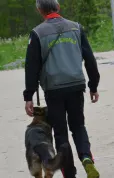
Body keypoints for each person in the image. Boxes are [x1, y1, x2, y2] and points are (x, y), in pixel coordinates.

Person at [23, 0, 100, 177]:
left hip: (53, 90)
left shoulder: (37, 33)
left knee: (60, 133)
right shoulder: (76, 28)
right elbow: (90, 59)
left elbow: (31, 67)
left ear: (40, 10)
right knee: (78, 126)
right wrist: (93, 86)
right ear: (58, 7)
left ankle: (69, 173)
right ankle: (87, 157)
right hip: (76, 86)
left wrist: (29, 96)